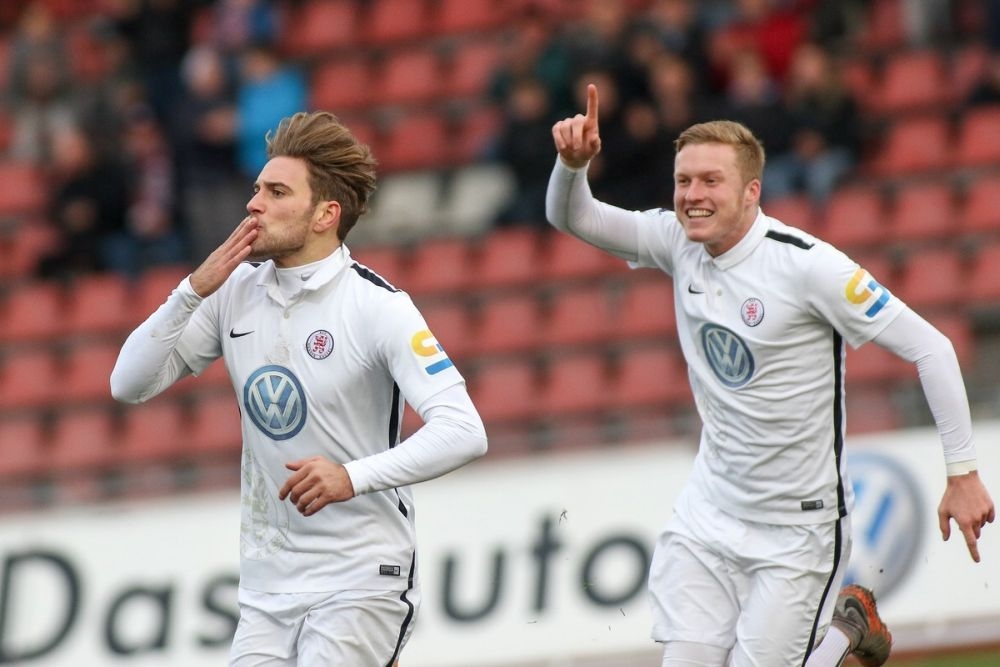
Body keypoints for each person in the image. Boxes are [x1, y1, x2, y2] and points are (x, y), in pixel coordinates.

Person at [547, 84, 995, 667]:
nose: (693, 195)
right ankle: (848, 627)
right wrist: (572, 166)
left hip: (798, 530)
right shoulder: (676, 241)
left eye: (711, 181)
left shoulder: (809, 267)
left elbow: (931, 348)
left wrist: (963, 473)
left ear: (751, 191)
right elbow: (572, 216)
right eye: (684, 181)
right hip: (710, 512)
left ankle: (844, 631)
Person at [111, 110, 488, 666]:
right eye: (256, 189)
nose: (254, 204)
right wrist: (190, 291)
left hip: (360, 578)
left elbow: (464, 431)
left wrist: (351, 477)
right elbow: (128, 384)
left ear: (325, 215)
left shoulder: (378, 307)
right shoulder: (232, 292)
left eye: (277, 192)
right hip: (266, 589)